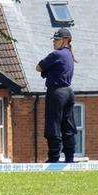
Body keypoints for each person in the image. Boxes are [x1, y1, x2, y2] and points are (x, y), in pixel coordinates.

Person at [36, 28, 77, 163]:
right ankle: (70, 157)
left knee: (53, 124)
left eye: (57, 40)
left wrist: (47, 71)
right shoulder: (70, 55)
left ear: (65, 40)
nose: (54, 42)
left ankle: (54, 158)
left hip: (56, 92)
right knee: (68, 125)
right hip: (69, 92)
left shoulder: (56, 54)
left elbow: (39, 67)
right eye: (54, 40)